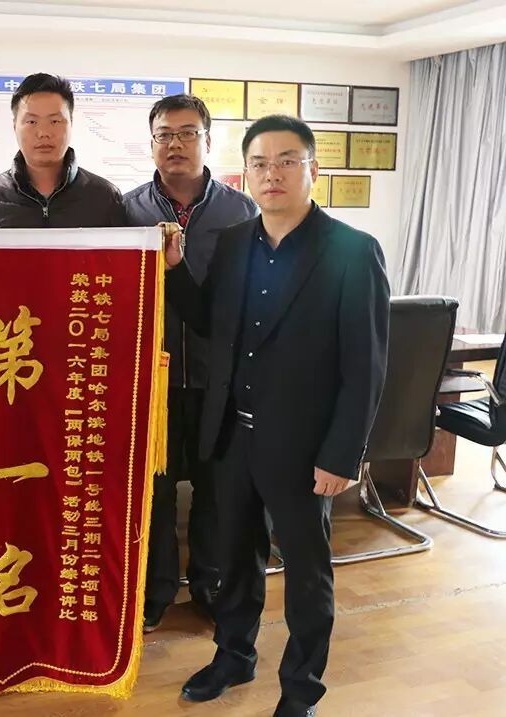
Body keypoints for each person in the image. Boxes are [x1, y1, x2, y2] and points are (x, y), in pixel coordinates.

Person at [164, 114, 389, 717]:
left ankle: (301, 690)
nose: (273, 174)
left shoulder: (352, 250)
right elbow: (211, 323)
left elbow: (365, 367)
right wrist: (175, 270)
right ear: (247, 174)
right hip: (232, 437)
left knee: (307, 577)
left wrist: (342, 454)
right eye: (260, 164)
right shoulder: (236, 242)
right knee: (234, 559)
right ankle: (233, 656)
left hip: (304, 447)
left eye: (287, 161)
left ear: (312, 168)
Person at [124, 94, 258, 632]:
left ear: (208, 141)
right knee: (153, 490)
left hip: (217, 378)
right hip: (151, 377)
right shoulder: (128, 209)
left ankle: (208, 585)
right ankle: (154, 591)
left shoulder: (240, 211)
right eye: (164, 135)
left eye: (186, 133)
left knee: (214, 489)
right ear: (151, 143)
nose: (175, 144)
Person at [0, 73, 126, 228]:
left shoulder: (106, 197)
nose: (44, 133)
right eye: (32, 121)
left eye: (55, 121)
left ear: (71, 124)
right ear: (14, 127)